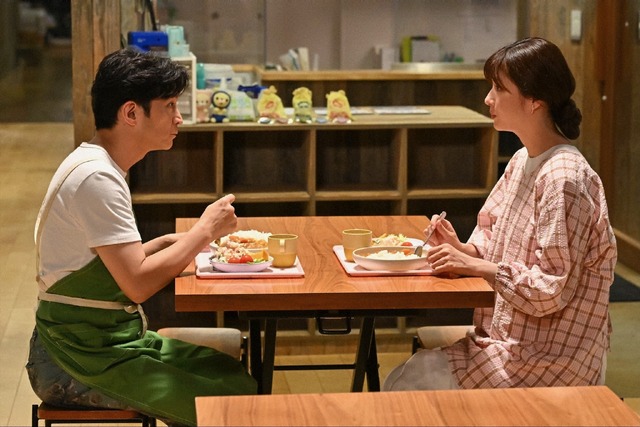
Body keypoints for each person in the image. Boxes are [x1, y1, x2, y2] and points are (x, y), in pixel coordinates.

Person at [26, 48, 256, 426]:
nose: (178, 118)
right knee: (225, 401)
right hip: (72, 359)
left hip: (100, 343)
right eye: (169, 106)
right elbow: (136, 284)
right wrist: (204, 230)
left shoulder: (97, 163)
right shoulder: (97, 178)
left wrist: (174, 244)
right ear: (131, 113)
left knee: (225, 373)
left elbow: (104, 265)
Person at [383, 37, 617, 391]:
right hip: (510, 342)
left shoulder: (564, 178)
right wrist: (461, 248)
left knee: (407, 386)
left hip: (549, 360)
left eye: (499, 88)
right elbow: (491, 236)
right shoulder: (522, 160)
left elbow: (550, 290)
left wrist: (474, 265)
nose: (488, 99)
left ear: (535, 101)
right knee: (403, 378)